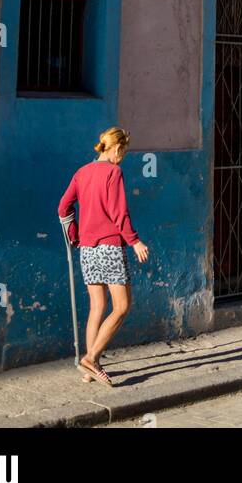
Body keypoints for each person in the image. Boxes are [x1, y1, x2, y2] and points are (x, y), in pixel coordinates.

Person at [57, 126, 149, 385]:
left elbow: (63, 206)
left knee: (97, 306)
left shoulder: (82, 172)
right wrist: (135, 241)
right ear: (117, 148)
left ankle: (88, 370)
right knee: (122, 306)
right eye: (125, 152)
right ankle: (92, 357)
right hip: (110, 247)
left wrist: (74, 235)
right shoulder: (113, 172)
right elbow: (118, 212)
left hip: (87, 249)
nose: (124, 157)